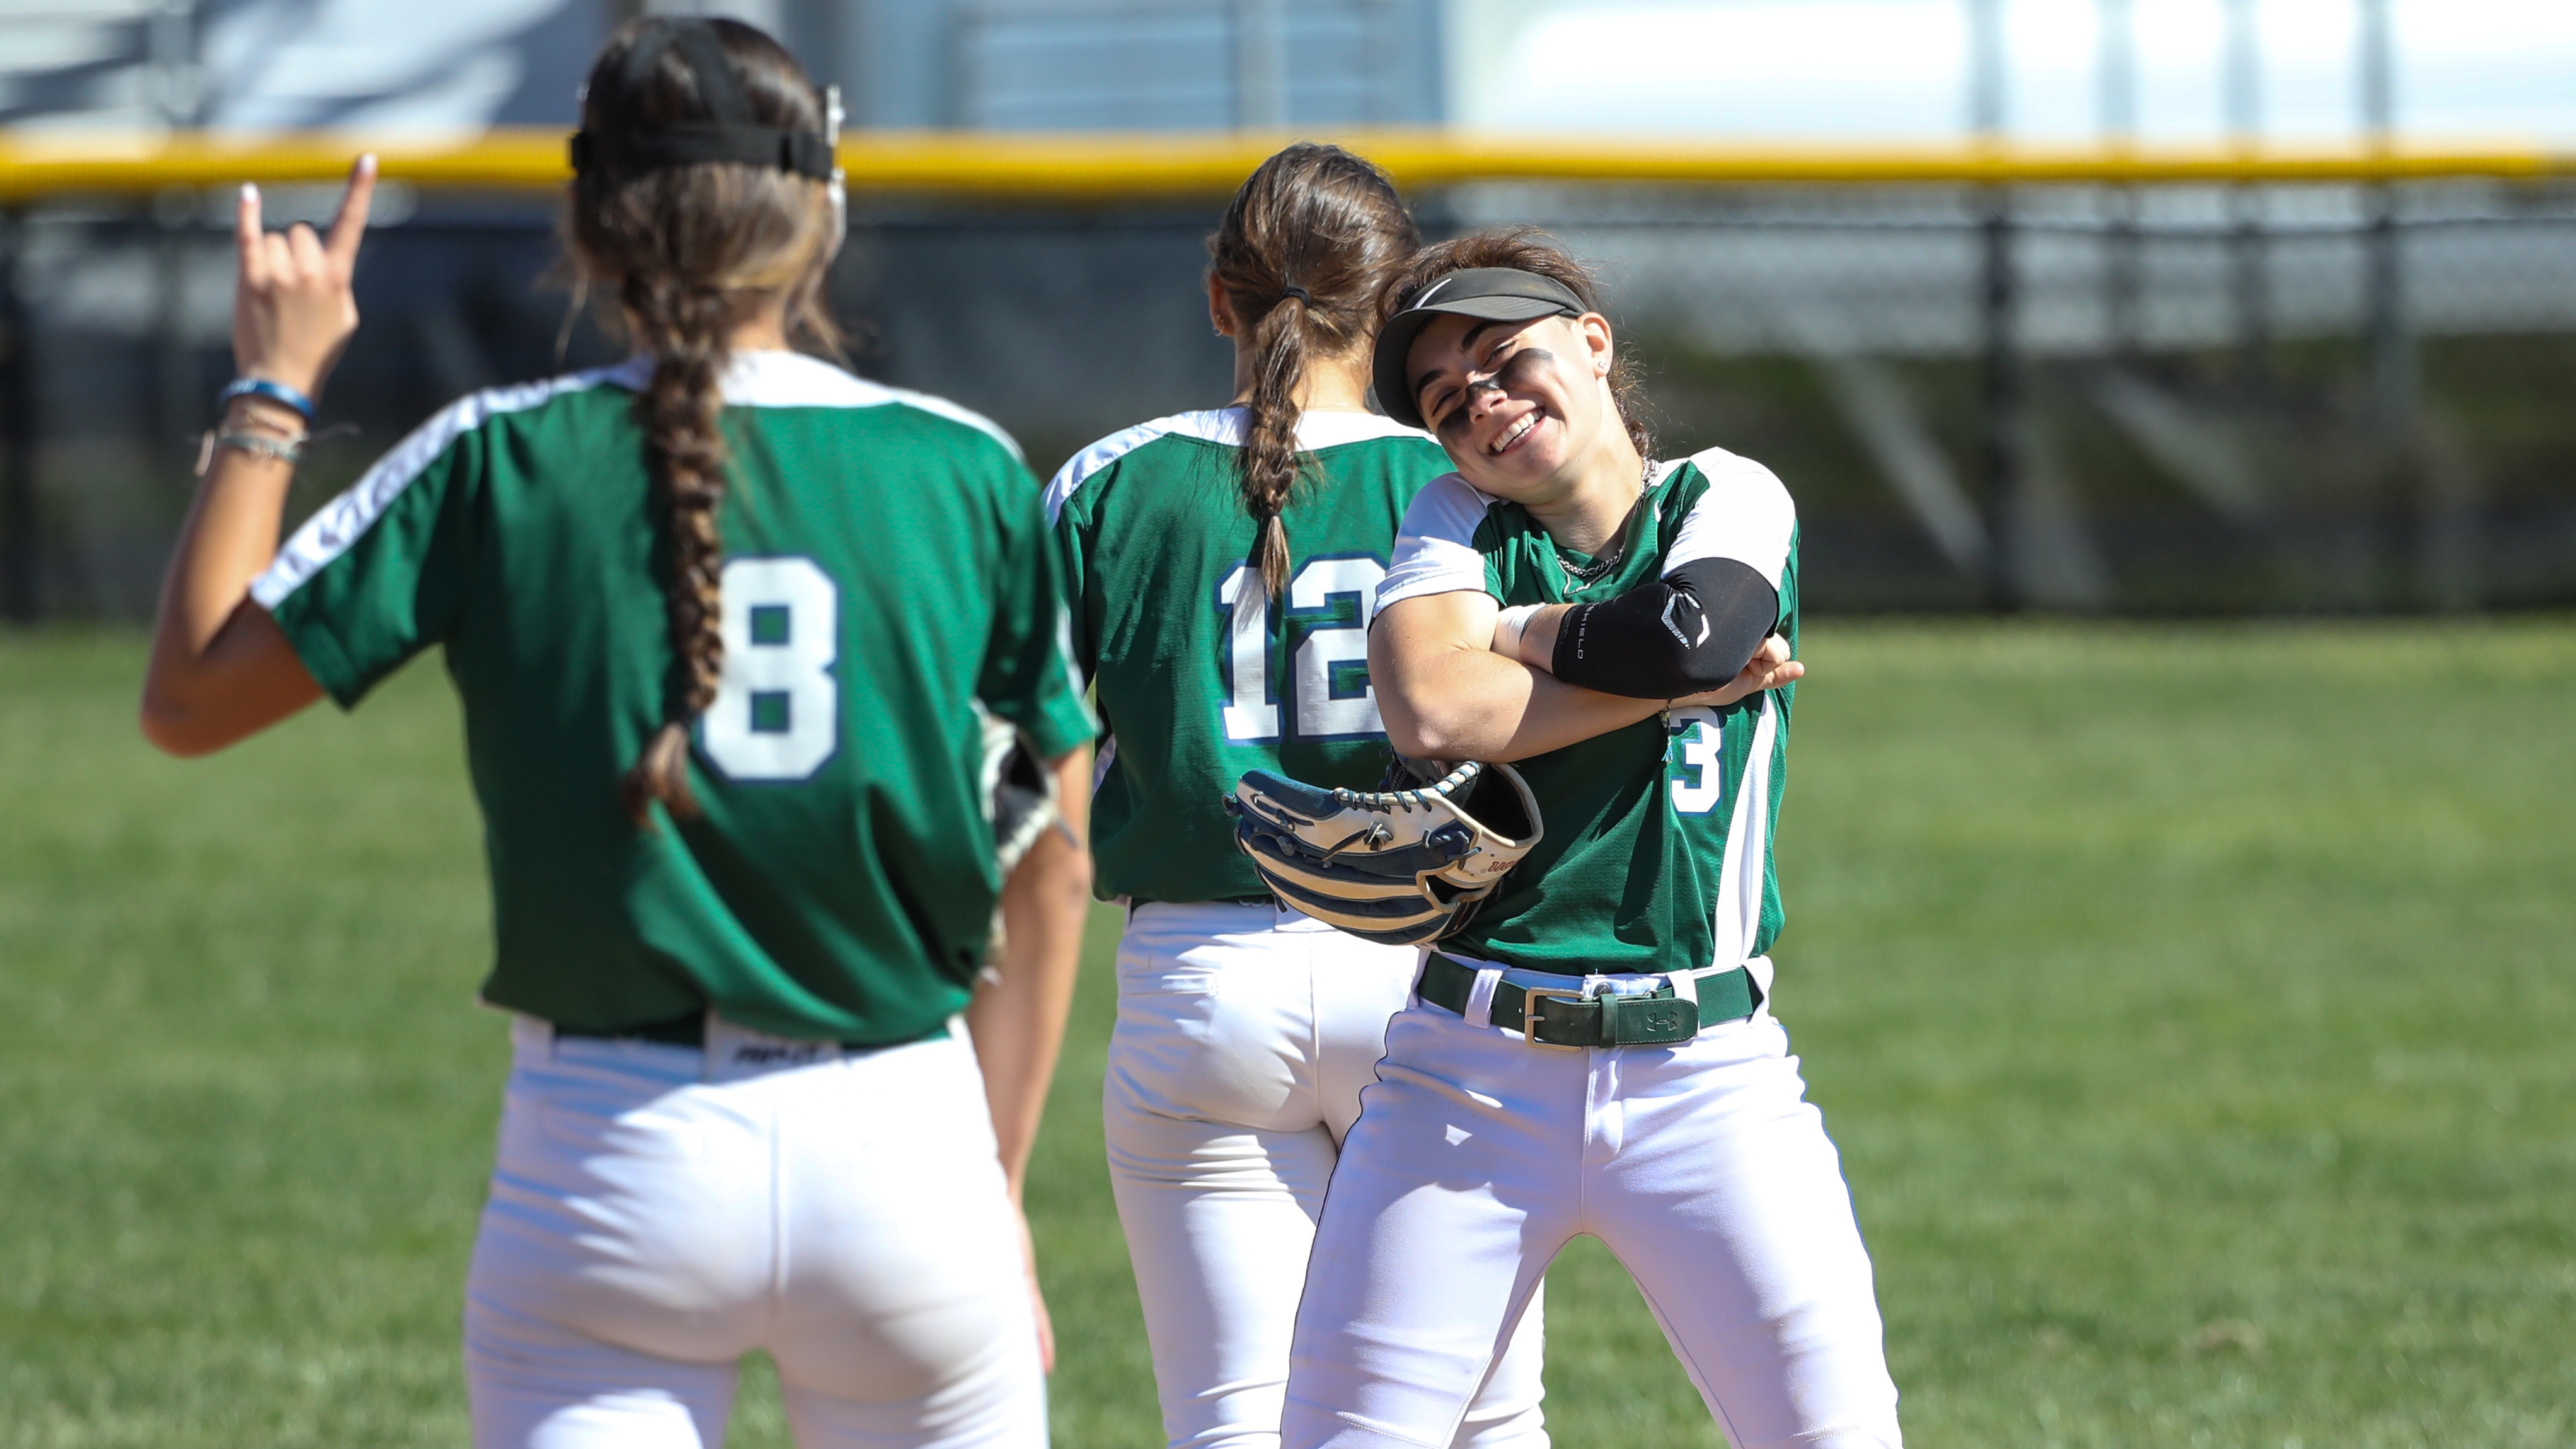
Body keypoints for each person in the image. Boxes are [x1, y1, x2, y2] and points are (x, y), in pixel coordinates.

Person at [137, 18, 1095, 1448]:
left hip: (611, 1149)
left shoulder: (496, 456)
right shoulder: (960, 465)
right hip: (903, 1142)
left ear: (586, 223)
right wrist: (994, 1187)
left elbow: (189, 701)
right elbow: (1053, 864)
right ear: (819, 222)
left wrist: (274, 385)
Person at [1272, 230, 1903, 1449]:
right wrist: (1665, 678)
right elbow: (1434, 707)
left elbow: (1692, 631)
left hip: (1709, 1073)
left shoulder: (1726, 492)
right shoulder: (1450, 511)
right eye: (1450, 402)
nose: (1487, 407)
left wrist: (1511, 632)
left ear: (1595, 343)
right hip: (1467, 1074)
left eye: (1509, 360)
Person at [1043, 144, 1547, 1449]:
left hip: (1197, 978)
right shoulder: (1464, 489)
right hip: (1428, 975)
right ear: (1387, 311)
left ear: (1219, 298)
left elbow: (1015, 756)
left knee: (1234, 1425)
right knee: (1483, 1421)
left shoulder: (1109, 480)